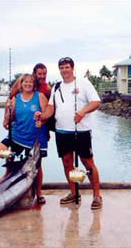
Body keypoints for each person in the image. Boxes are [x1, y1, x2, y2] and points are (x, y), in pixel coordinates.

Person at [0, 74, 49, 204]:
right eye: (25, 82)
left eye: (30, 82)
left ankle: (39, 194)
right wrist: (8, 111)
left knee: (37, 167)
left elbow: (47, 114)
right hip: (16, 136)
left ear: (33, 85)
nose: (28, 84)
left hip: (35, 138)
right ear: (21, 84)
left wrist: (42, 119)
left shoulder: (39, 96)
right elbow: (9, 120)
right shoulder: (15, 98)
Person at [35, 57, 102, 210]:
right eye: (62, 67)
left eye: (67, 67)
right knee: (67, 163)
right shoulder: (56, 87)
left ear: (72, 68)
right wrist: (42, 116)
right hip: (62, 131)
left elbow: (96, 102)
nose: (64, 70)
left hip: (81, 131)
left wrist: (82, 112)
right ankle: (74, 193)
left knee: (88, 164)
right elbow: (51, 108)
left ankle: (97, 195)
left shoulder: (84, 83)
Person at [2, 63, 52, 205]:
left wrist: (45, 125)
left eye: (44, 74)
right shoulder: (19, 89)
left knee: (37, 165)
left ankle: (39, 193)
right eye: (39, 74)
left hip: (38, 132)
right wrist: (5, 117)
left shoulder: (46, 90)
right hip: (20, 133)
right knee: (10, 156)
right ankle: (7, 178)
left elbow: (50, 109)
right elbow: (9, 103)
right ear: (34, 75)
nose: (42, 77)